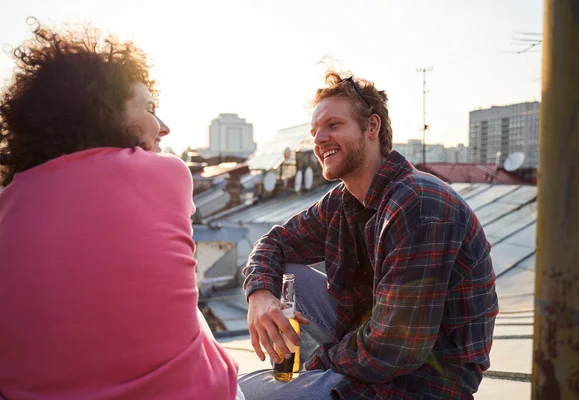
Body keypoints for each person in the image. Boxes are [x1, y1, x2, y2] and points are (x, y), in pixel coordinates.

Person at [0, 19, 241, 399]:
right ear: (105, 113)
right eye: (149, 107)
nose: (163, 126)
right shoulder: (167, 173)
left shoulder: (7, 203)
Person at [239, 70, 499, 399]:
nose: (318, 139)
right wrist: (259, 295)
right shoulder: (345, 201)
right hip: (371, 345)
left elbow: (394, 348)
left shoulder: (418, 204)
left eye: (333, 125)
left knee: (234, 393)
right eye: (315, 130)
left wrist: (318, 367)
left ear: (372, 127)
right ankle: (297, 377)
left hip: (423, 382)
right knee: (283, 274)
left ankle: (307, 382)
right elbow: (274, 242)